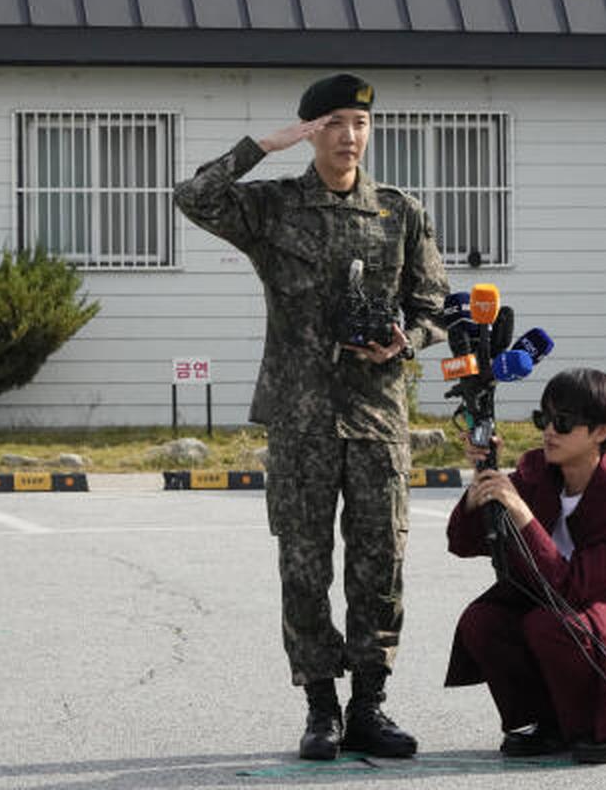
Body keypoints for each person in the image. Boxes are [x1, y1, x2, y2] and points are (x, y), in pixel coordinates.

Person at [173, 74, 449, 761]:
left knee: (380, 563)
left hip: (377, 417)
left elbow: (433, 303)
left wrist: (404, 341)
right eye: (332, 123)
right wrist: (262, 147)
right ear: (310, 131)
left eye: (358, 122)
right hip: (301, 420)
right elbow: (193, 197)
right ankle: (321, 706)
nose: (348, 136)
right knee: (304, 567)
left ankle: (370, 706)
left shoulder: (399, 212)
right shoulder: (272, 209)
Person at [444, 368, 606, 763]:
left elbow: (569, 588)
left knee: (550, 622)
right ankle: (550, 723)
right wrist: (480, 488)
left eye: (564, 422)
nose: (549, 431)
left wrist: (522, 514)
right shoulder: (536, 473)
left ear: (601, 432)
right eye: (544, 418)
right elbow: (463, 543)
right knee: (482, 620)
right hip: (564, 613)